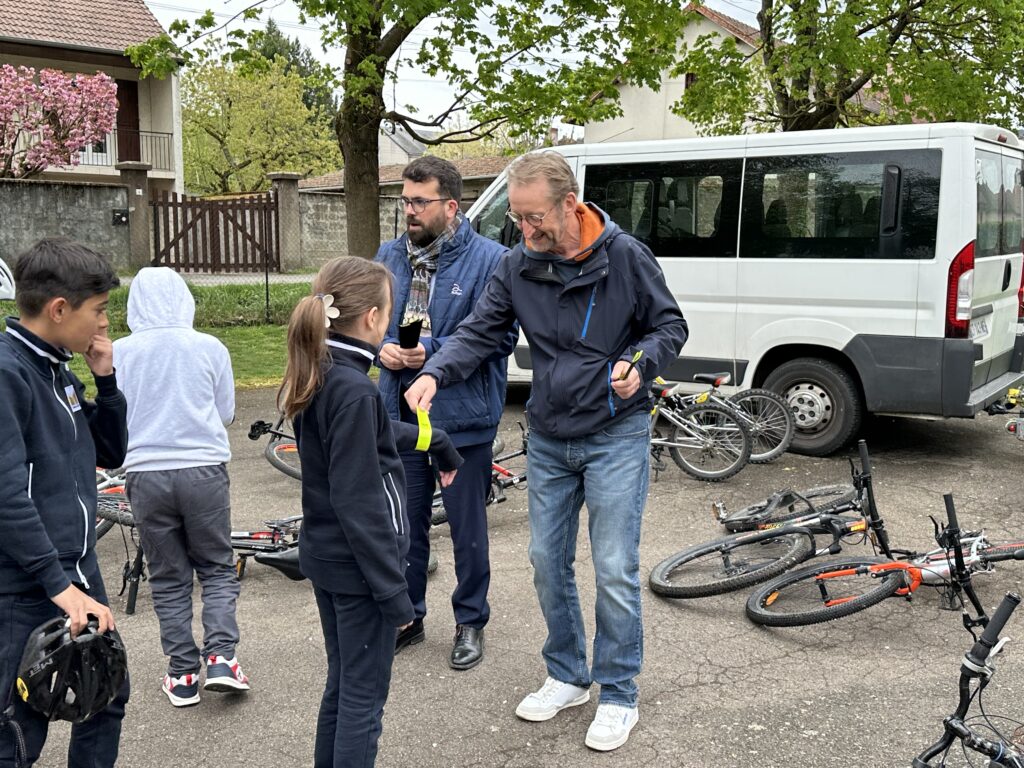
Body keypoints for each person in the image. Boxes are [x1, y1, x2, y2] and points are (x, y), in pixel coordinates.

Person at [405, 152, 688, 752]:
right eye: (517, 217)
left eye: (535, 218)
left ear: (569, 204)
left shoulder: (626, 257)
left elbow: (669, 327)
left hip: (616, 433)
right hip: (552, 437)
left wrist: (639, 364)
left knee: (613, 568)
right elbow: (482, 331)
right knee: (544, 561)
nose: (525, 230)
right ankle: (567, 673)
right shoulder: (517, 265)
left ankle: (618, 693)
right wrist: (436, 372)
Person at [279, 257, 462, 768]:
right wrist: (394, 592)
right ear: (375, 318)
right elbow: (359, 499)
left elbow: (370, 439)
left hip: (328, 560)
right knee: (363, 701)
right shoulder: (355, 389)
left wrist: (435, 439)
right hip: (360, 572)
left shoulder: (325, 371)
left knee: (342, 687)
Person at [375, 156, 516, 670]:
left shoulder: (493, 259)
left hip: (463, 417)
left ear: (451, 205)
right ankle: (409, 617)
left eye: (419, 201)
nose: (408, 210)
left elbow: (499, 336)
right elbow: (365, 321)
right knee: (404, 526)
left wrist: (429, 349)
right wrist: (381, 350)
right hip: (401, 417)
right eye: (405, 200)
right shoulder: (389, 255)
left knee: (466, 528)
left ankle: (471, 620)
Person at [0, 238, 130, 767]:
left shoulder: (56, 367)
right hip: (29, 586)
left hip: (77, 571)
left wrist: (106, 380)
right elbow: (5, 494)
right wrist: (58, 587)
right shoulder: (10, 375)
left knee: (105, 698)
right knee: (17, 730)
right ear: (58, 309)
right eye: (97, 312)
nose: (104, 324)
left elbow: (110, 451)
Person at [112, 267, 248, 707]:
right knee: (216, 566)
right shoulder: (210, 346)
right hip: (203, 469)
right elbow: (225, 411)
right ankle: (223, 658)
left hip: (146, 473)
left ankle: (183, 674)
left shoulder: (120, 352)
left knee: (169, 578)